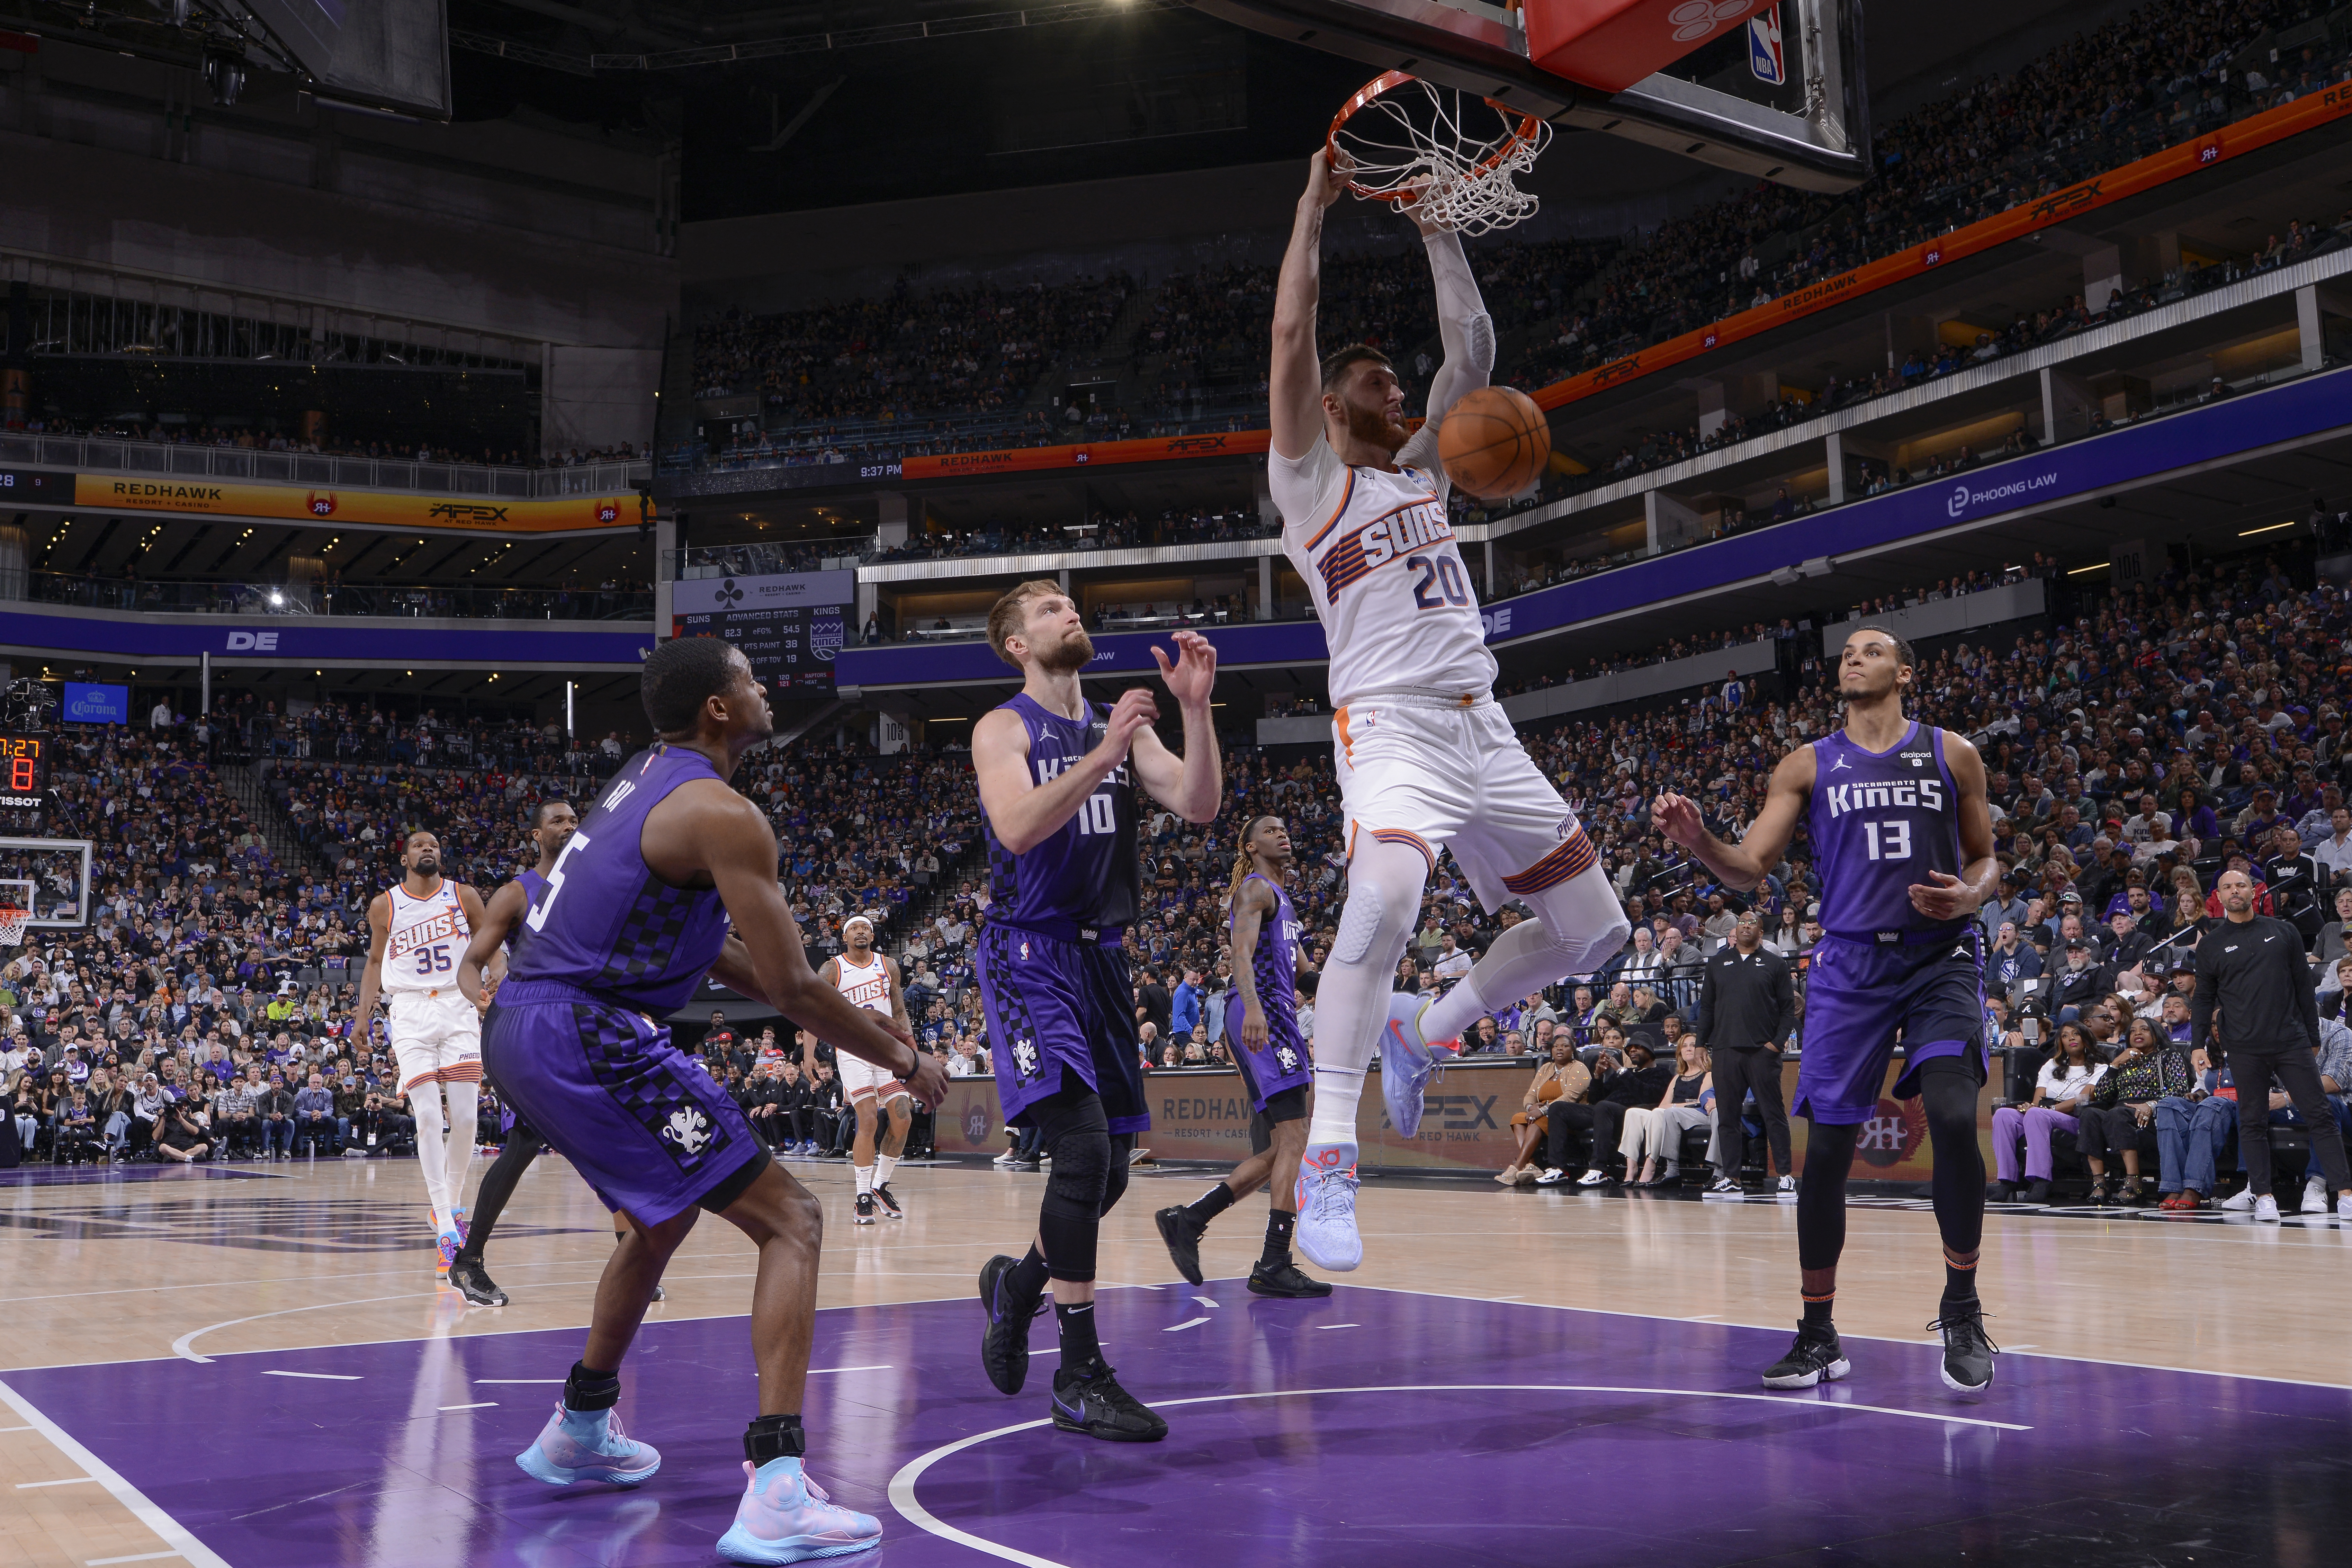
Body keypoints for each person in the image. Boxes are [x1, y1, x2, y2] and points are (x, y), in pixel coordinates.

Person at [470, 636, 948, 1565]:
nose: (766, 690)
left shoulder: (636, 784)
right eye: (752, 680)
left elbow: (725, 956)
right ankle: (775, 1487)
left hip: (526, 1029)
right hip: (588, 1031)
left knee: (658, 1222)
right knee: (793, 1219)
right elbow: (799, 988)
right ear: (720, 709)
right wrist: (903, 1052)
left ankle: (579, 1426)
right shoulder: (725, 813)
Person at [1265, 147, 1630, 1274]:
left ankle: (1424, 1028)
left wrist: (1435, 226)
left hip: (1484, 721)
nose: (1394, 389)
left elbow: (1470, 353)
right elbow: (1290, 337)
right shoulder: (1309, 482)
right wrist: (1311, 211)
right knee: (1380, 901)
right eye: (1373, 382)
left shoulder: (1422, 470)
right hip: (1390, 726)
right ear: (1332, 407)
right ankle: (1331, 1156)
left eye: (1392, 382)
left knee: (1596, 932)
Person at [1654, 625, 2001, 1393]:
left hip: (1939, 953)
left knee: (1950, 1112)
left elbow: (1985, 856)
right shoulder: (1806, 762)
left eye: (1872, 649)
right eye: (1846, 650)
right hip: (1849, 963)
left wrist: (1972, 893)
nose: (1853, 656)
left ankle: (1962, 1302)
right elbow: (1749, 867)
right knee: (1827, 1159)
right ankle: (1817, 1330)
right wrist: (1699, 838)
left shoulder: (1952, 752)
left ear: (1905, 671)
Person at [969, 584, 1220, 1443]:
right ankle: (1077, 1376)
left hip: (1103, 960)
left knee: (1110, 1173)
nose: (1066, 612)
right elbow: (1015, 827)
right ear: (1016, 645)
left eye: (1069, 604)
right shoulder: (1004, 728)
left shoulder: (1122, 723)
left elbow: (1197, 803)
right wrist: (1104, 752)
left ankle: (1018, 1286)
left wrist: (1194, 710)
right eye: (1044, 610)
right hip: (1029, 951)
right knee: (1079, 1150)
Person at [448, 800, 667, 1310]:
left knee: (609, 1136)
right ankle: (468, 1261)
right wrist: (477, 995)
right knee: (526, 1141)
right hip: (527, 1031)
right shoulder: (517, 893)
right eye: (558, 821)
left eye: (574, 821)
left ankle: (628, 1258)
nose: (568, 827)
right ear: (536, 835)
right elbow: (472, 962)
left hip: (582, 1028)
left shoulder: (599, 889)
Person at [1154, 815, 1330, 1296]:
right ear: (1250, 846)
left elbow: (1306, 976)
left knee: (1282, 1145)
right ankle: (1274, 1261)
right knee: (1294, 1138)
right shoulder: (1254, 890)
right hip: (1261, 1014)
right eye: (1271, 829)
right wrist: (1253, 1008)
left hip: (1273, 1016)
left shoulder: (1284, 901)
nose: (1283, 831)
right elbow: (1239, 952)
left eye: (1285, 827)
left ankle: (1190, 1219)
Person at [353, 830, 490, 1275]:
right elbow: (374, 962)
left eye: (434, 844)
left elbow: (489, 947)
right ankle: (447, 1225)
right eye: (418, 844)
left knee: (467, 1118)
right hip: (410, 1009)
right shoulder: (384, 904)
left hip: (457, 1002)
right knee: (430, 1116)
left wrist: (494, 984)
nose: (427, 848)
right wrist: (362, 1014)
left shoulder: (464, 895)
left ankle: (447, 1206)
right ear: (405, 856)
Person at [2193, 868, 2352, 1221]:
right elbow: (2203, 998)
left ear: (2253, 890)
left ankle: (2344, 1194)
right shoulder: (2211, 944)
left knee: (2321, 1115)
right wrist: (2196, 1044)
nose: (2234, 891)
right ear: (2218, 897)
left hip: (2290, 1041)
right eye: (2226, 887)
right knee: (2251, 1120)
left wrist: (2312, 1039)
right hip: (2244, 1047)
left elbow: (2301, 988)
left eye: (2240, 885)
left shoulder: (2283, 931)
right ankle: (2263, 1196)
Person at [813, 915, 914, 1224]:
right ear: (845, 937)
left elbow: (899, 1010)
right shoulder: (832, 969)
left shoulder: (889, 965)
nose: (861, 932)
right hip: (853, 1050)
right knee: (868, 1119)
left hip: (887, 1049)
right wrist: (808, 1055)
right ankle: (862, 1197)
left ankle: (880, 1184)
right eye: (855, 928)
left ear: (872, 934)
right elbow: (811, 1011)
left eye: (866, 928)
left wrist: (912, 1048)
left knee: (903, 1118)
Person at [1698, 911, 1795, 1193]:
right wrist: (1702, 1042)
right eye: (1742, 922)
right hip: (1726, 1051)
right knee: (1727, 1116)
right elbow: (1707, 1007)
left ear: (1761, 931)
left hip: (1761, 1052)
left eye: (1752, 923)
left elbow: (1788, 1009)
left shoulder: (1775, 964)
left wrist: (1775, 1045)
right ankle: (1732, 1176)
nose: (1746, 926)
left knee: (1773, 1114)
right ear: (1735, 929)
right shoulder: (1717, 963)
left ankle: (1785, 1175)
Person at [2074, 1016, 2193, 1205]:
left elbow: (2178, 1090)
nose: (2138, 1033)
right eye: (2133, 1031)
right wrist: (2115, 1065)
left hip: (2151, 1113)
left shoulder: (2169, 1056)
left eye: (2144, 1030)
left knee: (2117, 1114)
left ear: (2156, 1034)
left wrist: (2152, 1105)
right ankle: (2099, 1182)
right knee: (2090, 1114)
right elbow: (2103, 1095)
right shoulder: (2125, 1061)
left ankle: (2133, 1182)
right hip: (2120, 1111)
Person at [1987, 1023, 2102, 1204]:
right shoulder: (2051, 1066)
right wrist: (2030, 1107)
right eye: (2065, 1036)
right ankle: (2007, 1181)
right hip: (2043, 1114)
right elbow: (2038, 1100)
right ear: (2061, 1043)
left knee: (2037, 1115)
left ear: (2086, 1039)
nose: (2071, 1038)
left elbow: (2084, 1098)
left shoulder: (2100, 1069)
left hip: (2075, 1118)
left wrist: (2047, 1110)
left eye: (2076, 1034)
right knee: (2004, 1115)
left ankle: (2042, 1180)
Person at [1619, 1038, 1713, 1187]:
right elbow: (1664, 1105)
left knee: (1658, 1113)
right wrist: (1674, 1106)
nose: (1689, 1049)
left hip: (1693, 1115)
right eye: (1685, 1046)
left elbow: (1699, 1103)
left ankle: (1651, 1166)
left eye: (1693, 1046)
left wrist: (1674, 1107)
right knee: (1633, 1113)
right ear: (1680, 1052)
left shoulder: (1707, 1075)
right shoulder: (1677, 1078)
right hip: (1672, 1112)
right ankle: (1631, 1170)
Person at [1501, 1035, 1589, 1184]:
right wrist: (1531, 1107)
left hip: (1567, 1115)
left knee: (1538, 1121)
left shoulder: (1579, 1068)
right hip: (1542, 1113)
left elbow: (1570, 1097)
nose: (1560, 1049)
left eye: (1565, 1046)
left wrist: (1543, 1111)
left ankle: (1518, 1165)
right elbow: (1531, 1094)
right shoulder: (1546, 1068)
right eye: (1556, 1046)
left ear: (1573, 1050)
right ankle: (1532, 1165)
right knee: (1518, 1118)